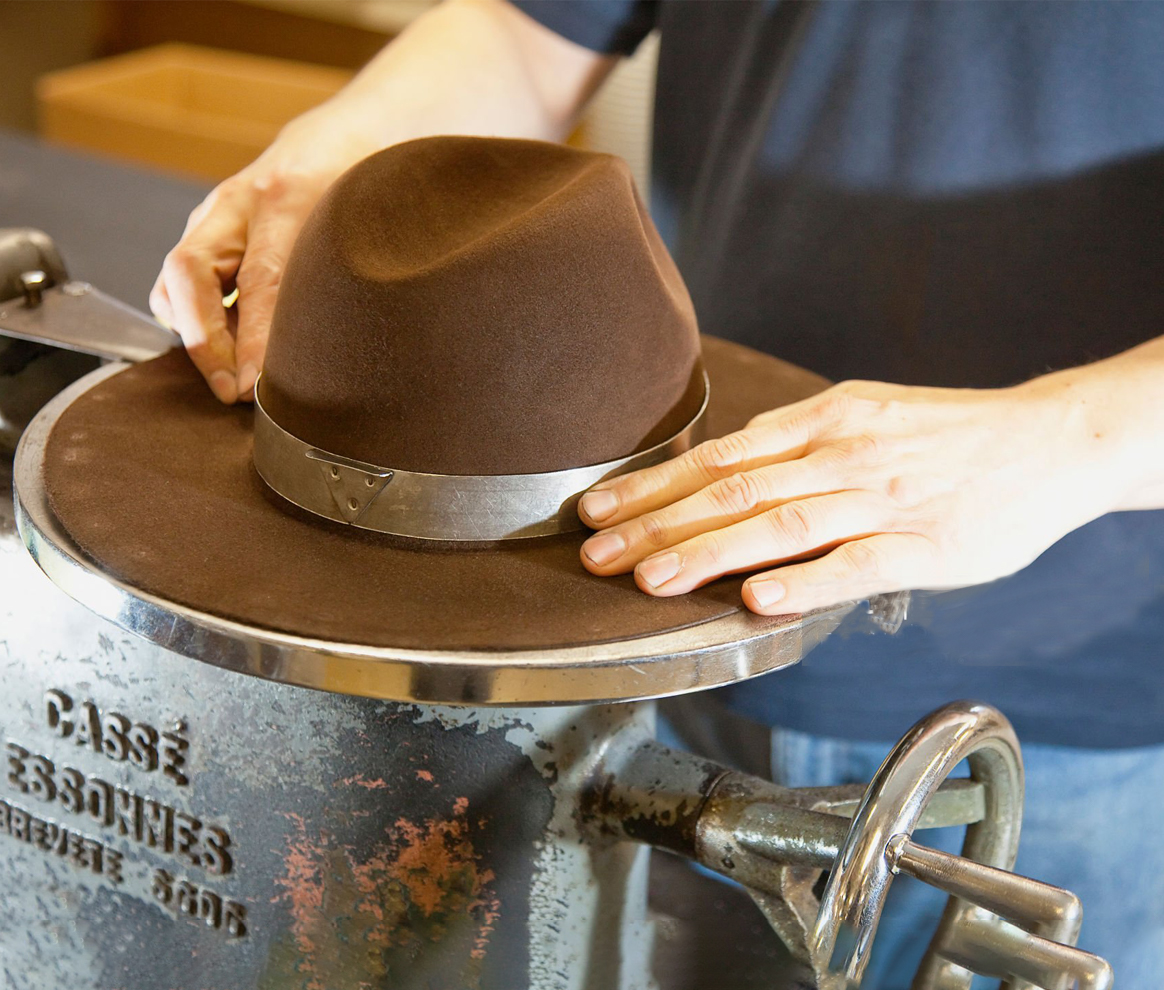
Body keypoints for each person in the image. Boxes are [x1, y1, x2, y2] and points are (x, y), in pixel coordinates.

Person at [151, 1, 1164, 984]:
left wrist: (1074, 438)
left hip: (1056, 701)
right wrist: (360, 158)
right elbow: (529, 33)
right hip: (638, 624)